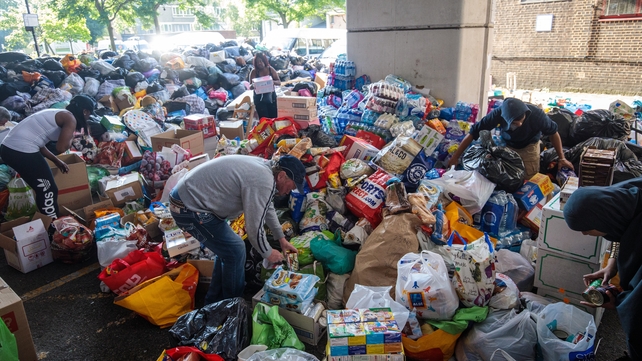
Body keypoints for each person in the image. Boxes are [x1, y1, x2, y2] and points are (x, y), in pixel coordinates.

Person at [169, 154, 305, 305]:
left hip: (190, 201)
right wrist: (268, 252)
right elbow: (254, 229)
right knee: (235, 250)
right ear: (281, 176)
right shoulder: (262, 180)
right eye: (291, 186)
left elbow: (267, 207)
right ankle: (232, 307)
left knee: (227, 251)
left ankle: (214, 302)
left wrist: (281, 239)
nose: (289, 192)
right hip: (189, 207)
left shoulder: (266, 170)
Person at [563, 179, 642, 360]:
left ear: (602, 219)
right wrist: (611, 265)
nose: (584, 234)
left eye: (587, 230)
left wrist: (619, 303)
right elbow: (621, 231)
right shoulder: (625, 199)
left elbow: (638, 306)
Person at [0, 95, 95, 219]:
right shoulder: (70, 119)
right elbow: (61, 148)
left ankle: (45, 221)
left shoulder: (57, 113)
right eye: (89, 114)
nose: (88, 117)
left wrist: (56, 161)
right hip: (20, 151)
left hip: (9, 149)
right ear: (85, 111)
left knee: (43, 188)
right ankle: (53, 226)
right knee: (48, 190)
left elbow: (39, 143)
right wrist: (71, 136)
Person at [448, 98, 574, 179]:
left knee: (528, 180)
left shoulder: (537, 115)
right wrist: (455, 157)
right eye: (514, 122)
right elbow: (473, 133)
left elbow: (553, 133)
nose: (518, 124)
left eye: (521, 121)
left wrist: (562, 158)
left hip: (529, 146)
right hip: (507, 145)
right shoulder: (498, 114)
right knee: (506, 177)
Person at [249, 52, 280, 119]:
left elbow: (279, 82)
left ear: (264, 61)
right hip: (259, 99)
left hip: (271, 97)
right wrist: (255, 85)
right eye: (257, 62)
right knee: (264, 119)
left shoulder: (270, 69)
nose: (259, 63)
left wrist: (270, 82)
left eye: (261, 61)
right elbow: (250, 86)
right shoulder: (254, 72)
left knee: (273, 118)